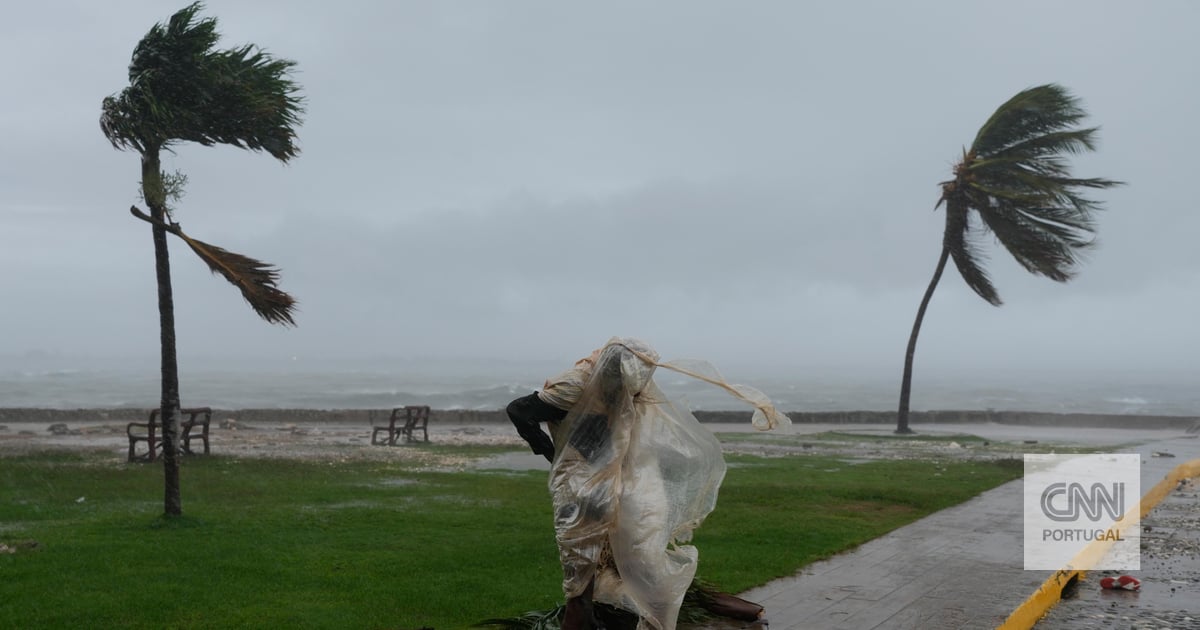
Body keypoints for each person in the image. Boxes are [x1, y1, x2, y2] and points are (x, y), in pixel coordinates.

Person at [507, 337, 789, 630]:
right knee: (579, 543)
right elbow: (518, 411)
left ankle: (653, 602)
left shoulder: (631, 383)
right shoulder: (575, 385)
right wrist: (553, 453)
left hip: (616, 470)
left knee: (639, 542)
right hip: (577, 475)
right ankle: (580, 613)